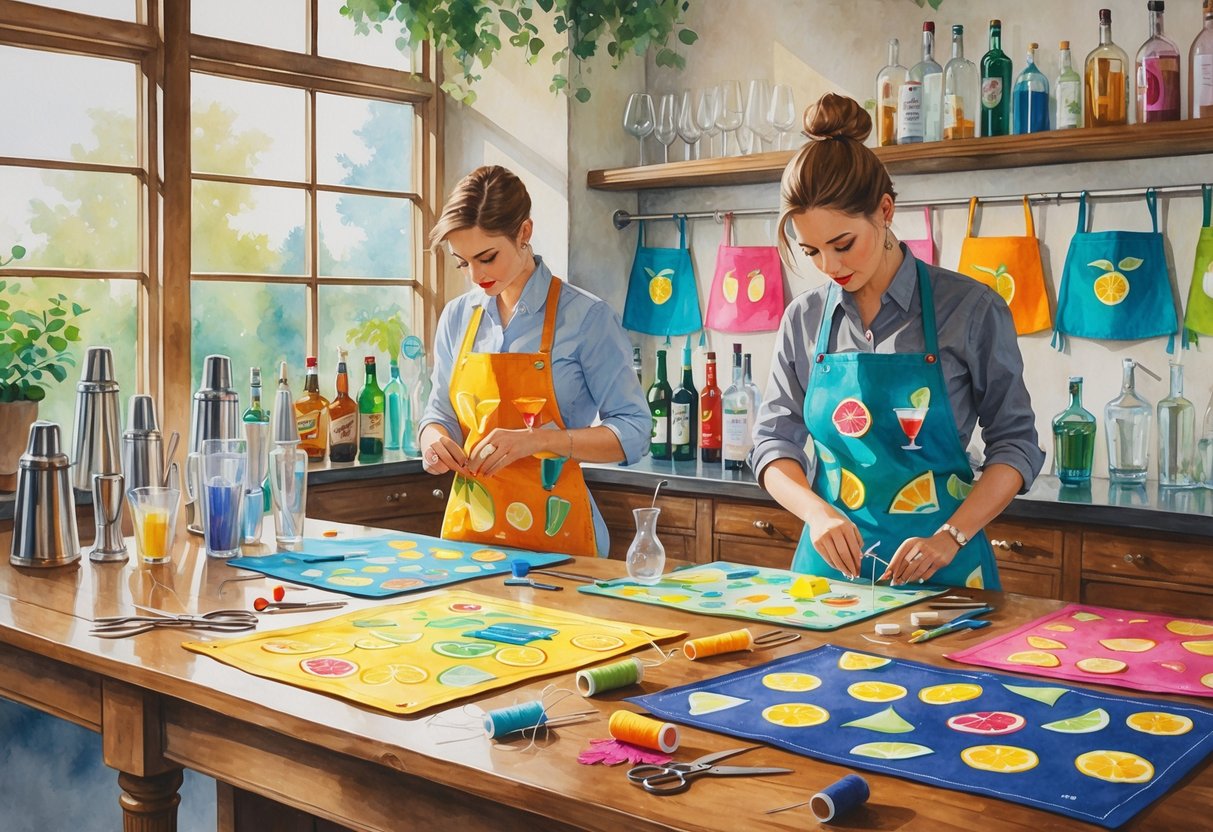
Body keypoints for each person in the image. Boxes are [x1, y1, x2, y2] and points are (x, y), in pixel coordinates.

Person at [752, 94, 1045, 589]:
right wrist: (816, 514)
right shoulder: (803, 319)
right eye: (812, 251)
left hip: (944, 570)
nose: (830, 267)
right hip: (829, 580)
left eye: (843, 244)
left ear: (885, 210)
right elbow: (773, 444)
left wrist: (951, 535)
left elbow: (1016, 445)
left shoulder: (971, 310)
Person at [419, 165, 650, 557]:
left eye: (487, 257)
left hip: (561, 538)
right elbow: (438, 411)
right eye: (463, 262)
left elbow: (635, 431)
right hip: (470, 540)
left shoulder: (587, 318)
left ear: (524, 233)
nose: (475, 275)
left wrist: (542, 440)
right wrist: (435, 443)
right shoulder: (458, 316)